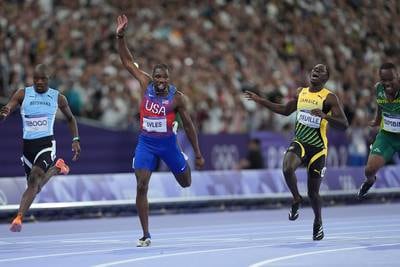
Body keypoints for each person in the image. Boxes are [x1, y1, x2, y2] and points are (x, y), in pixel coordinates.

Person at [116, 14, 205, 247]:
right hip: (146, 142)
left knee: (186, 182)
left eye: (164, 77)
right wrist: (121, 36)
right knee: (141, 184)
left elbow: (189, 125)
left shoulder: (178, 99)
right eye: (157, 76)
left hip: (168, 145)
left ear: (169, 78)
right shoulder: (145, 84)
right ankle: (146, 234)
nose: (160, 80)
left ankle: (182, 161)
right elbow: (127, 61)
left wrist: (197, 153)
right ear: (153, 78)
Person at [245, 64, 348, 240]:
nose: (315, 71)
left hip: (318, 149)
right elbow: (285, 111)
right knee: (287, 168)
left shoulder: (329, 98)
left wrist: (325, 116)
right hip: (300, 142)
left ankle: (318, 222)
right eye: (314, 69)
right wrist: (260, 100)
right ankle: (296, 199)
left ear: (326, 78)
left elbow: (344, 125)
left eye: (320, 71)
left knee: (313, 193)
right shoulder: (301, 92)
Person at [0, 64, 81, 232]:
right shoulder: (23, 93)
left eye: (42, 79)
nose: (39, 82)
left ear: (48, 79)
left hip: (46, 144)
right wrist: (5, 112)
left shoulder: (58, 97)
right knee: (34, 187)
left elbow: (71, 119)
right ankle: (56, 168)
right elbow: (10, 105)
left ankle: (19, 217)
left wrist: (75, 139)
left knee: (35, 178)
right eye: (36, 78)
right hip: (28, 147)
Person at [358, 62, 400, 198]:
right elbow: (380, 105)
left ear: (397, 76)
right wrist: (377, 119)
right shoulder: (378, 88)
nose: (387, 83)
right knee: (369, 170)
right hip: (387, 136)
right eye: (384, 80)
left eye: (391, 79)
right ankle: (370, 181)